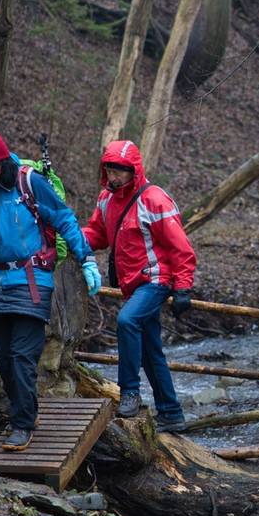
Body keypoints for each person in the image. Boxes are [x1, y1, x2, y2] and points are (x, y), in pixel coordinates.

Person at [0, 129, 101, 451]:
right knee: (4, 360)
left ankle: (22, 424)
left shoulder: (30, 183)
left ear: (1, 158)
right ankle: (27, 411)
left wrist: (87, 259)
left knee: (21, 357)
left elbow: (65, 220)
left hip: (32, 281)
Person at [82, 140, 197, 433]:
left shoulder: (154, 199)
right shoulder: (106, 199)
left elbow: (180, 246)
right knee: (149, 350)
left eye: (120, 171)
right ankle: (171, 413)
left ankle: (129, 392)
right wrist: (68, 239)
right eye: (110, 170)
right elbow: (97, 233)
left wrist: (183, 287)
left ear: (134, 171)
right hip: (132, 284)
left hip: (156, 279)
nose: (114, 176)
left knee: (127, 321)